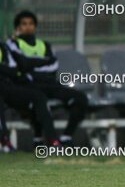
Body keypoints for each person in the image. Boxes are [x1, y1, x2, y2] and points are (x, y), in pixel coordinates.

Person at [7, 10, 88, 147]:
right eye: (24, 24)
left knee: (80, 98)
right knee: (38, 98)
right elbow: (21, 65)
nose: (28, 27)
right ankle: (39, 138)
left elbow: (53, 65)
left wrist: (31, 66)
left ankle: (66, 137)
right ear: (17, 27)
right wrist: (40, 63)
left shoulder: (45, 45)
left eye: (31, 24)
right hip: (28, 84)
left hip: (49, 83)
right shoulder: (12, 44)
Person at [0, 41, 60, 151]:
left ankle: (53, 140)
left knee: (38, 96)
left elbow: (13, 70)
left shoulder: (3, 48)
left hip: (8, 86)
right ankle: (4, 140)